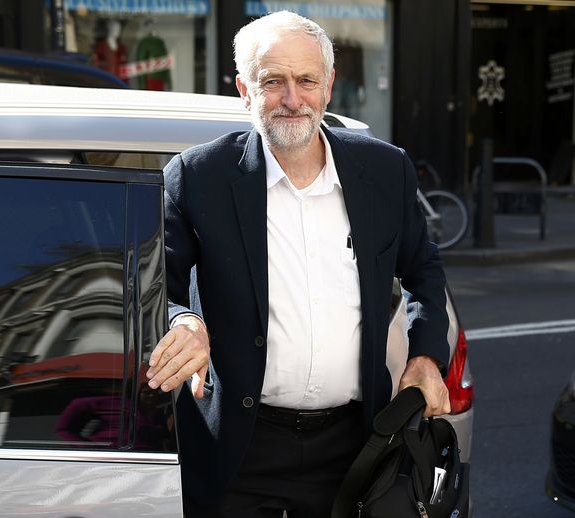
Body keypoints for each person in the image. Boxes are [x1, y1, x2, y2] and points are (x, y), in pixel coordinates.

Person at [145, 10, 451, 518]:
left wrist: (425, 357)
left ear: (329, 85)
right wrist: (184, 320)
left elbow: (424, 270)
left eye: (307, 80)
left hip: (357, 443)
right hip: (239, 448)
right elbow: (156, 285)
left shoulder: (385, 170)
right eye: (273, 81)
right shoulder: (197, 177)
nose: (293, 99)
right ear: (244, 89)